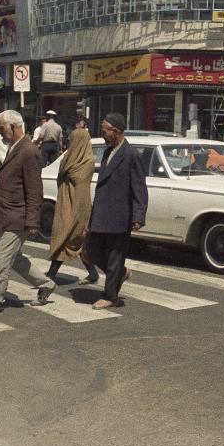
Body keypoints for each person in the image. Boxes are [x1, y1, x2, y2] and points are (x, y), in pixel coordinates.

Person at [0, 109, 57, 316]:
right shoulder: (15, 146)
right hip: (5, 215)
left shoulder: (29, 151)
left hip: (17, 217)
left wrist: (32, 221)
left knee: (0, 260)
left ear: (13, 126)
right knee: (15, 259)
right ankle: (46, 284)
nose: (0, 132)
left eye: (1, 128)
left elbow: (34, 189)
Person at [83, 113, 148, 310]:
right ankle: (120, 274)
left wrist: (138, 216)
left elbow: (139, 188)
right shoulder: (108, 151)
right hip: (102, 212)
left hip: (119, 215)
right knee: (91, 252)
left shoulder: (131, 155)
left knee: (114, 257)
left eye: (105, 131)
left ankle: (111, 296)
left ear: (116, 131)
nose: (103, 135)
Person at [46, 128, 99, 283]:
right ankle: (93, 273)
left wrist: (79, 215)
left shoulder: (88, 161)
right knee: (71, 240)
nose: (70, 143)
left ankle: (51, 275)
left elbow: (80, 183)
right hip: (64, 203)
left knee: (68, 238)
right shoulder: (68, 158)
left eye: (73, 140)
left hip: (78, 206)